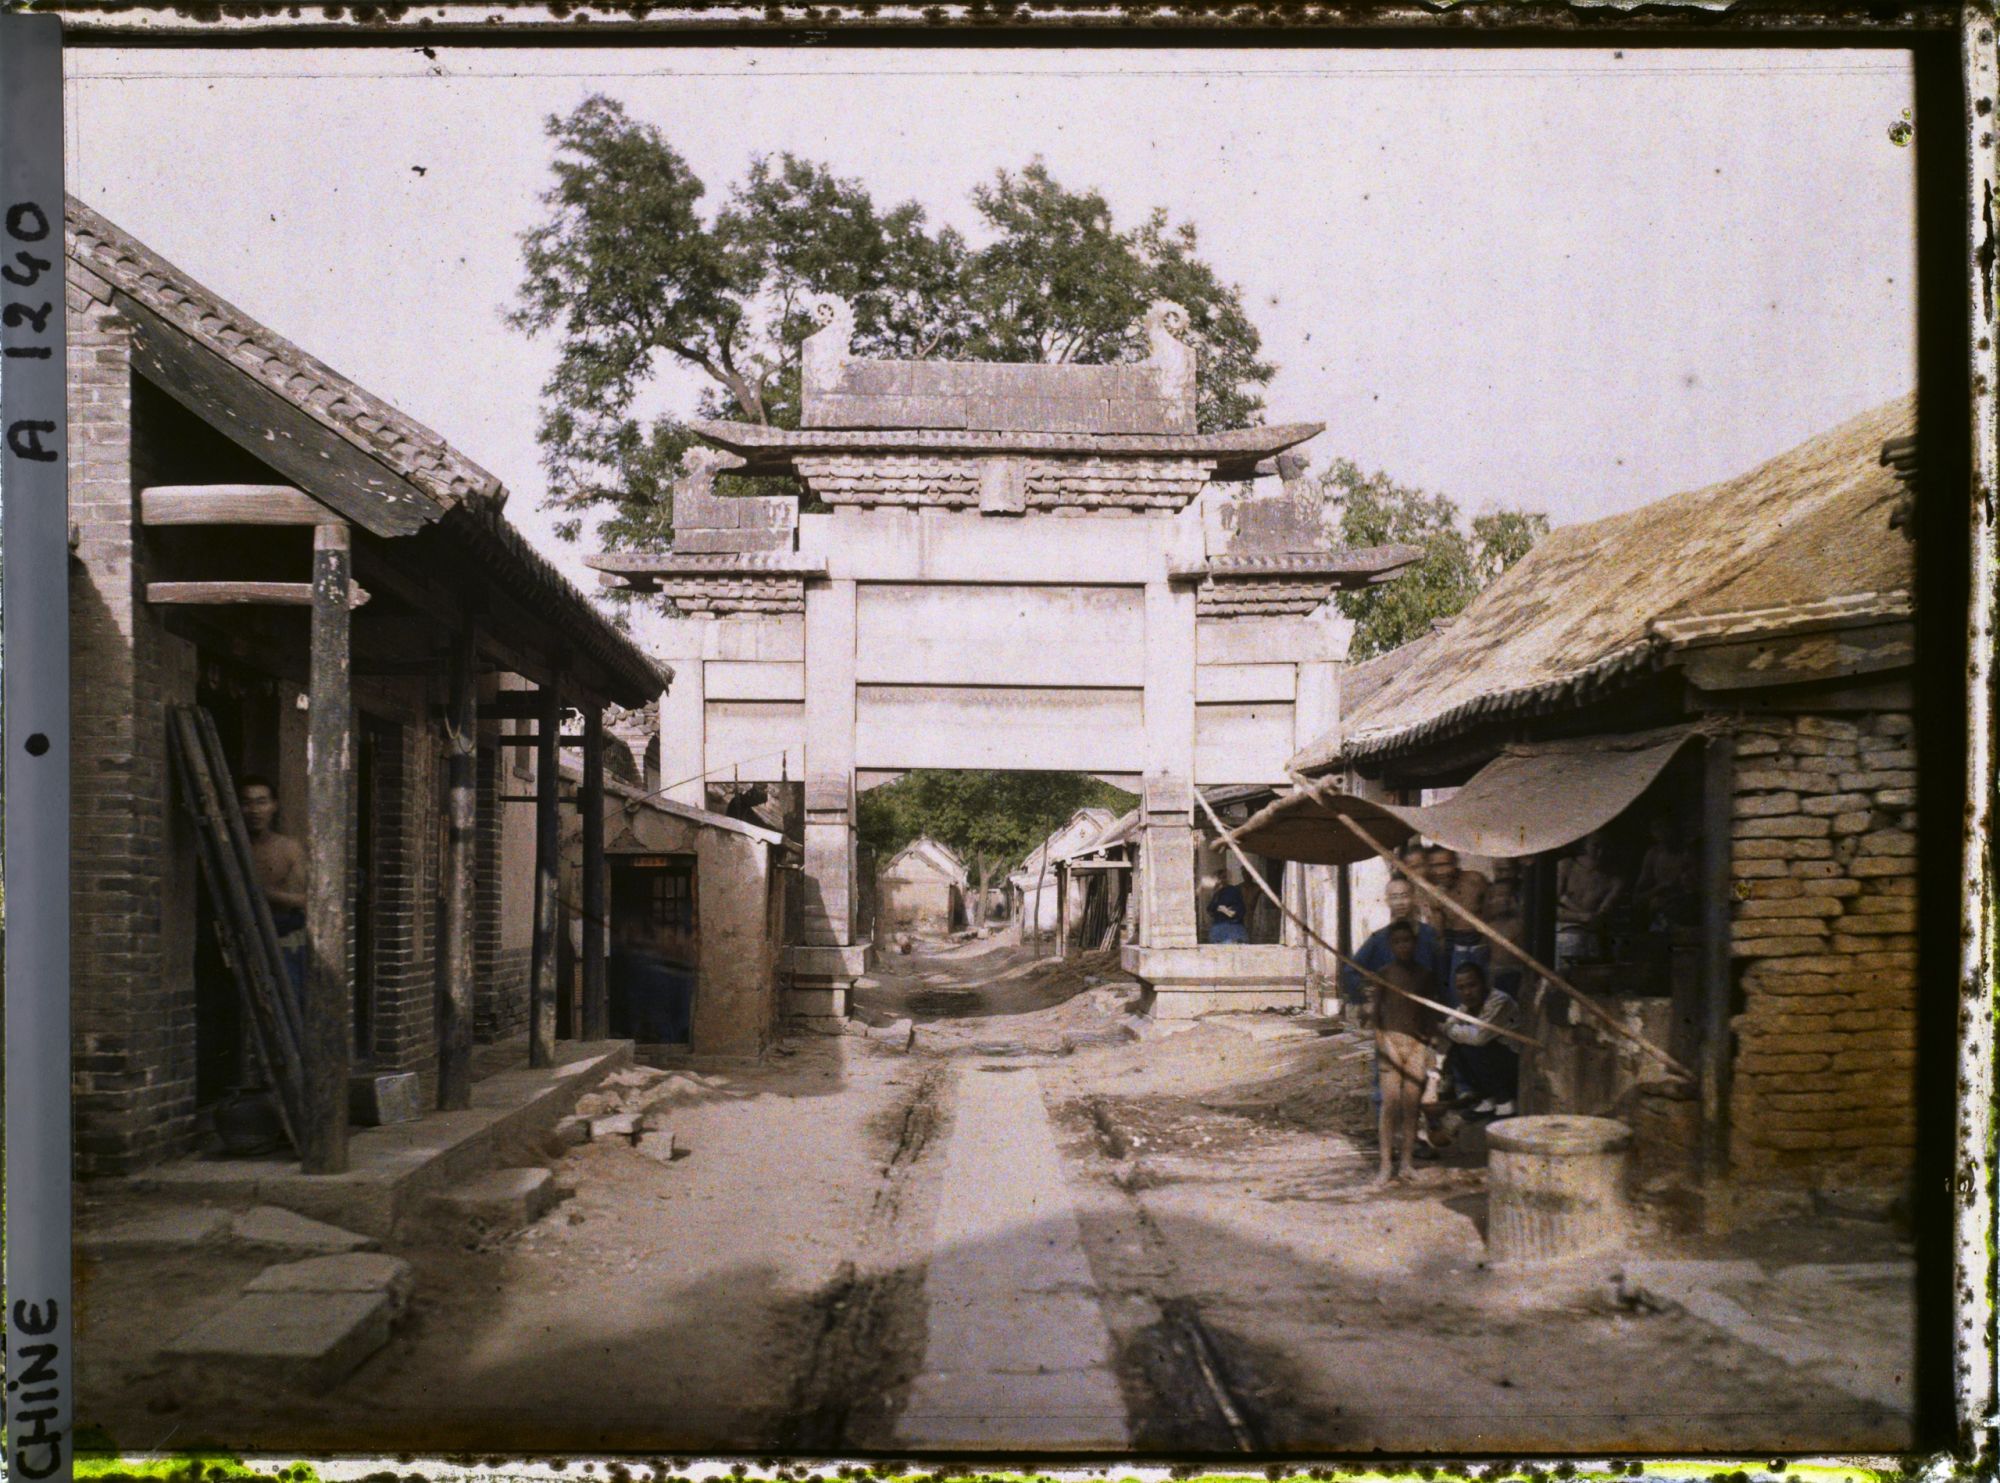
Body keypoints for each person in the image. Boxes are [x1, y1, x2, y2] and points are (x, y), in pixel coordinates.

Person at [1373, 919, 1438, 1184]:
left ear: (1415, 943)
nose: (1403, 946)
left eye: (1408, 941)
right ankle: (1386, 1165)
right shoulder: (1385, 974)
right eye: (1398, 942)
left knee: (1411, 1107)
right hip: (1390, 1043)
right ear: (1391, 945)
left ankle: (1407, 1164)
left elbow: (1429, 1015)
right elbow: (1376, 1017)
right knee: (1390, 1105)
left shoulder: (1424, 975)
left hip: (1416, 1047)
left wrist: (1427, 1046)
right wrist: (1384, 1043)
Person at [239, 774, 309, 994]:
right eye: (247, 803)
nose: (255, 810)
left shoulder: (289, 848)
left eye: (261, 802)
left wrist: (265, 894)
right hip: (244, 942)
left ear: (274, 806)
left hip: (284, 944)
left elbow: (307, 900)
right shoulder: (232, 849)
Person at [1339, 875, 1446, 1019]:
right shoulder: (1379, 938)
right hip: (1391, 1015)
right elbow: (1350, 971)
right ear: (1387, 901)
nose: (1400, 902)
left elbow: (1442, 978)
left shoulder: (1429, 935)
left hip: (1425, 1013)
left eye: (1404, 896)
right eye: (1394, 897)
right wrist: (1366, 991)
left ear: (1414, 898)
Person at [1438, 961, 1521, 1118]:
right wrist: (1445, 1027)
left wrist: (1445, 1028)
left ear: (1484, 983)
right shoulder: (1466, 1006)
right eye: (1461, 988)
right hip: (1494, 1064)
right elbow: (1450, 1023)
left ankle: (1505, 1102)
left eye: (1472, 985)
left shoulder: (1499, 1001)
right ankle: (1487, 1099)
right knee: (1457, 1050)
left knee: (1471, 1046)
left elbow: (1478, 1037)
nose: (1467, 992)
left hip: (1513, 1064)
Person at [1423, 846, 1490, 1007]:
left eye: (1445, 864)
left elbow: (1492, 913)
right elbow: (1438, 934)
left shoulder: (1475, 880)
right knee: (1457, 996)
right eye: (1435, 866)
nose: (1441, 871)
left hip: (1481, 943)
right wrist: (1436, 906)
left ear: (1455, 863)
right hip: (1455, 946)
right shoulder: (1433, 891)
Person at [1556, 832, 1625, 971]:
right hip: (1561, 929)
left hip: (1590, 934)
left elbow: (1598, 918)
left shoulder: (1615, 880)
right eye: (1596, 846)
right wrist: (1581, 916)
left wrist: (1571, 906)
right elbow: (1550, 906)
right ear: (1585, 845)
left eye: (1606, 847)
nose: (1601, 852)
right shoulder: (1566, 866)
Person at [1632, 815, 1697, 929]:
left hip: (1687, 914)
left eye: (1665, 827)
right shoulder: (1653, 855)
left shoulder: (1689, 854)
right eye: (1656, 828)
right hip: (1661, 917)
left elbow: (1696, 889)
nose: (1661, 833)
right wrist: (1660, 888)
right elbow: (1637, 899)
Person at [1207, 869, 1249, 945]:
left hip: (1233, 929)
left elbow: (1240, 910)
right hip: (1219, 929)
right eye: (1219, 878)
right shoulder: (1216, 892)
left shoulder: (1233, 891)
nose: (1221, 881)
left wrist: (1227, 911)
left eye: (1224, 877)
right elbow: (1211, 909)